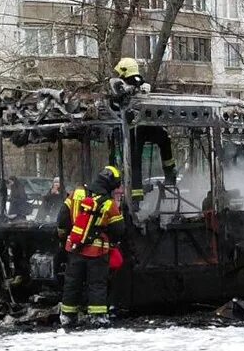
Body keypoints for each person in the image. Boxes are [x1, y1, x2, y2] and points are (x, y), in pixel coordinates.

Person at [56, 166, 126, 329]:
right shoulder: (108, 204)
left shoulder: (77, 193)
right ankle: (98, 317)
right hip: (98, 252)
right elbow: (119, 229)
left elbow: (62, 218)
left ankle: (67, 316)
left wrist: (64, 236)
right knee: (97, 284)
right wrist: (112, 241)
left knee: (72, 282)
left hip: (74, 248)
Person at [111, 58, 177, 200]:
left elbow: (115, 103)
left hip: (136, 128)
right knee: (164, 140)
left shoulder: (125, 85)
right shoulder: (140, 85)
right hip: (145, 126)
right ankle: (170, 175)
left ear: (124, 71)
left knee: (135, 161)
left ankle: (136, 196)